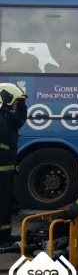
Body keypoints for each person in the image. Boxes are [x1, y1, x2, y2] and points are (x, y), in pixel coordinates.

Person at [0, 83, 27, 245]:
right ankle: (2, 239)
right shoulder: (1, 119)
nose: (15, 105)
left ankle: (4, 237)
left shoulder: (5, 117)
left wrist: (22, 105)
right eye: (15, 102)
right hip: (1, 171)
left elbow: (18, 121)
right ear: (6, 99)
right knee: (2, 205)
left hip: (5, 171)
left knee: (6, 204)